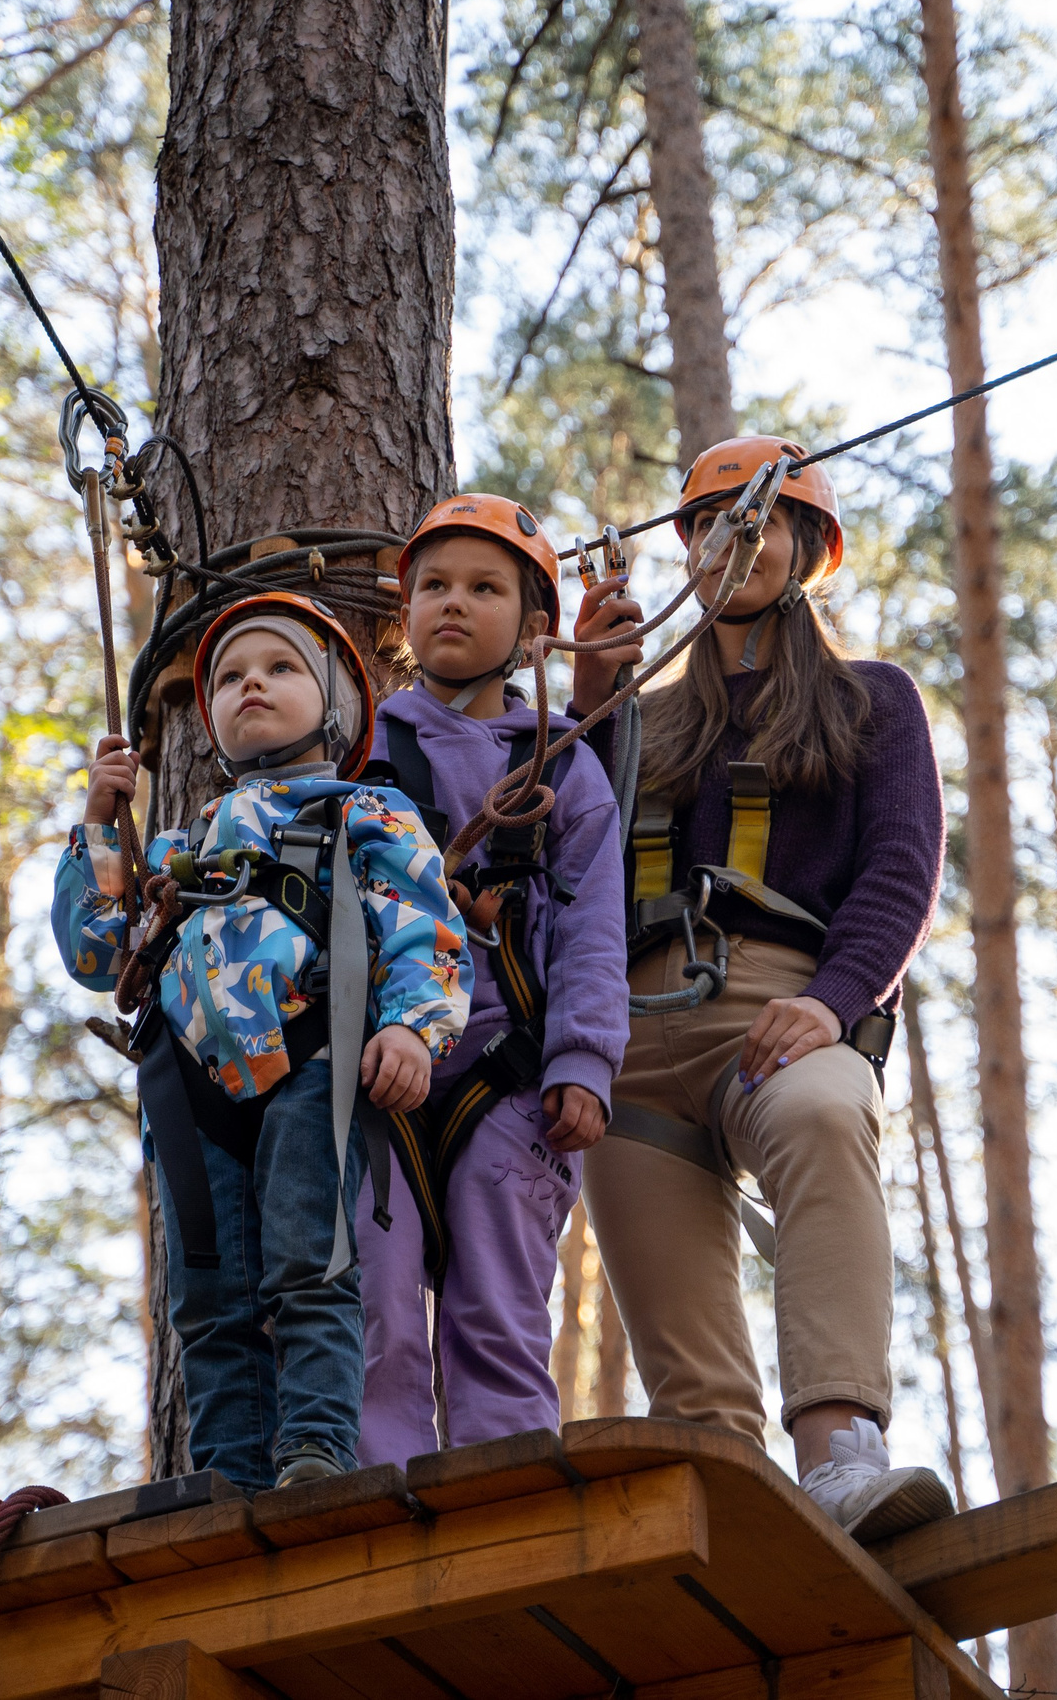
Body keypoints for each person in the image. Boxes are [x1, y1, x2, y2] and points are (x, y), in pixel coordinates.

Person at [569, 437, 952, 1541]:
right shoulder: (635, 719)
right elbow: (549, 853)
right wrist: (592, 702)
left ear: (807, 548)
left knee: (830, 1112)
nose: (732, 542)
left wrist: (836, 1000)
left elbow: (899, 865)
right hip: (627, 1034)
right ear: (683, 549)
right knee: (686, 1365)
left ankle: (840, 1452)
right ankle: (736, 1524)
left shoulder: (870, 701)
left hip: (778, 1003)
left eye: (760, 522)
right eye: (708, 525)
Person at [56, 592, 472, 1489]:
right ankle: (229, 1474)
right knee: (208, 1298)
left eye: (281, 668)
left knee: (309, 1258)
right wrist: (98, 819)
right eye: (233, 677)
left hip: (311, 1057)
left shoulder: (368, 812)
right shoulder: (174, 847)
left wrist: (410, 1027)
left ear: (337, 703)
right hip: (187, 1089)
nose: (253, 685)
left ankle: (316, 1449)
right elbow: (96, 949)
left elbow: (424, 932)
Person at [356, 494, 627, 1466]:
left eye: (483, 588)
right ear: (405, 611)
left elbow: (594, 927)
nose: (453, 605)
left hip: (509, 1076)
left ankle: (504, 1506)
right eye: (432, 586)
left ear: (533, 626)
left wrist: (584, 1062)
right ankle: (366, 1507)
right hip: (373, 1073)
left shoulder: (561, 766)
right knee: (371, 1308)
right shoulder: (362, 746)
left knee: (499, 1314)